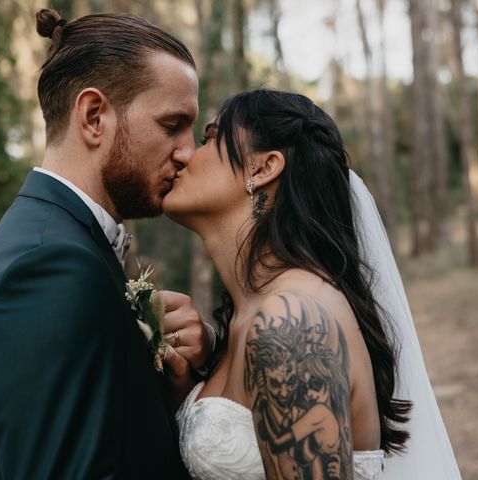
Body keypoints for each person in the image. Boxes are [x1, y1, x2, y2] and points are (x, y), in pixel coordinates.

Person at [0, 9, 212, 479]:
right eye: (172, 124)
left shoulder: (64, 243)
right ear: (94, 117)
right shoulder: (47, 267)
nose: (188, 151)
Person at [160, 89, 462, 479]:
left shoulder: (291, 322)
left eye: (209, 138)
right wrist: (187, 381)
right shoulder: (250, 316)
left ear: (263, 168)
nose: (184, 154)